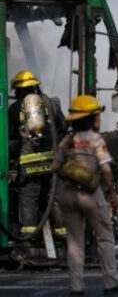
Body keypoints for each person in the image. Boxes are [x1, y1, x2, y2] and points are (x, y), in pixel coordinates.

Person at [52, 95, 118, 296]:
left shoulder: (67, 142)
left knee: (74, 242)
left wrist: (73, 172)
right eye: (97, 115)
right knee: (104, 237)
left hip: (68, 195)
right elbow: (105, 170)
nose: (100, 119)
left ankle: (76, 287)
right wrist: (111, 193)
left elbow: (56, 167)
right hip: (90, 194)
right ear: (91, 118)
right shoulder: (96, 140)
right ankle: (111, 283)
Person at [8, 70, 67, 237]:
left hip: (29, 161)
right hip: (53, 159)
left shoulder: (14, 108)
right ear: (35, 87)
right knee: (55, 196)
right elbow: (62, 127)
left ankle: (29, 232)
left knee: (29, 196)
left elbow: (9, 135)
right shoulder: (52, 104)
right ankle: (62, 232)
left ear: (19, 90)